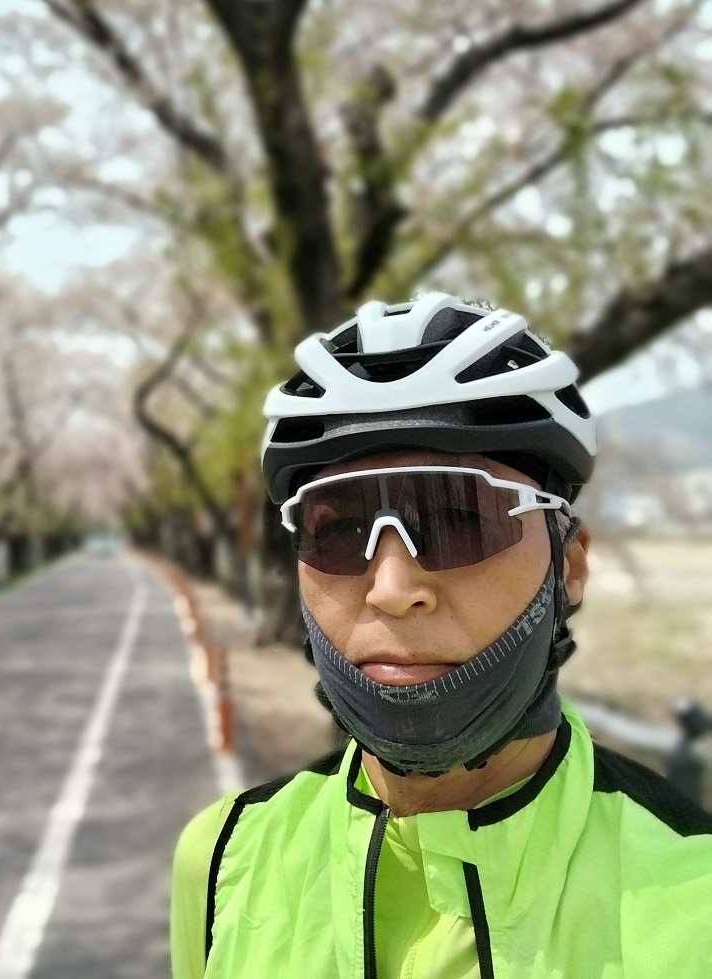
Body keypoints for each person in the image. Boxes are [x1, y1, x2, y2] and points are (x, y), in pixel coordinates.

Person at [170, 293, 712, 979]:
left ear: (568, 566)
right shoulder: (222, 858)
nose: (392, 588)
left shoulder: (696, 899)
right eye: (337, 530)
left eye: (462, 519)